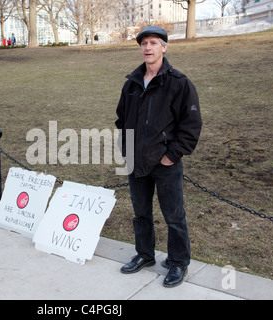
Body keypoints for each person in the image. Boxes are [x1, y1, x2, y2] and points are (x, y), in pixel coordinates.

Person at [115, 26, 202, 288]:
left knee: (174, 216)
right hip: (136, 162)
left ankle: (178, 262)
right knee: (141, 213)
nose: (148, 48)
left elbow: (191, 125)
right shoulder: (131, 83)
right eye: (144, 43)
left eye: (153, 42)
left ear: (164, 47)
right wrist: (127, 150)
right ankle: (144, 254)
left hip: (165, 164)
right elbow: (122, 119)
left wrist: (171, 156)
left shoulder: (179, 82)